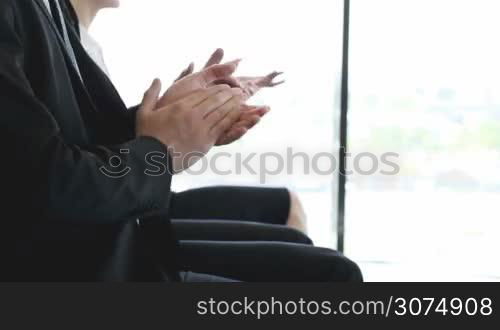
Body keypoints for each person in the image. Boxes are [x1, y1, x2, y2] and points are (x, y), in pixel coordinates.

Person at [0, 0, 362, 282]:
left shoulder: (50, 10)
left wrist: (180, 115)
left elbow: (77, 143)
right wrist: (163, 145)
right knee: (332, 275)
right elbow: (50, 183)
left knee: (326, 268)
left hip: (117, 245)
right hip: (85, 267)